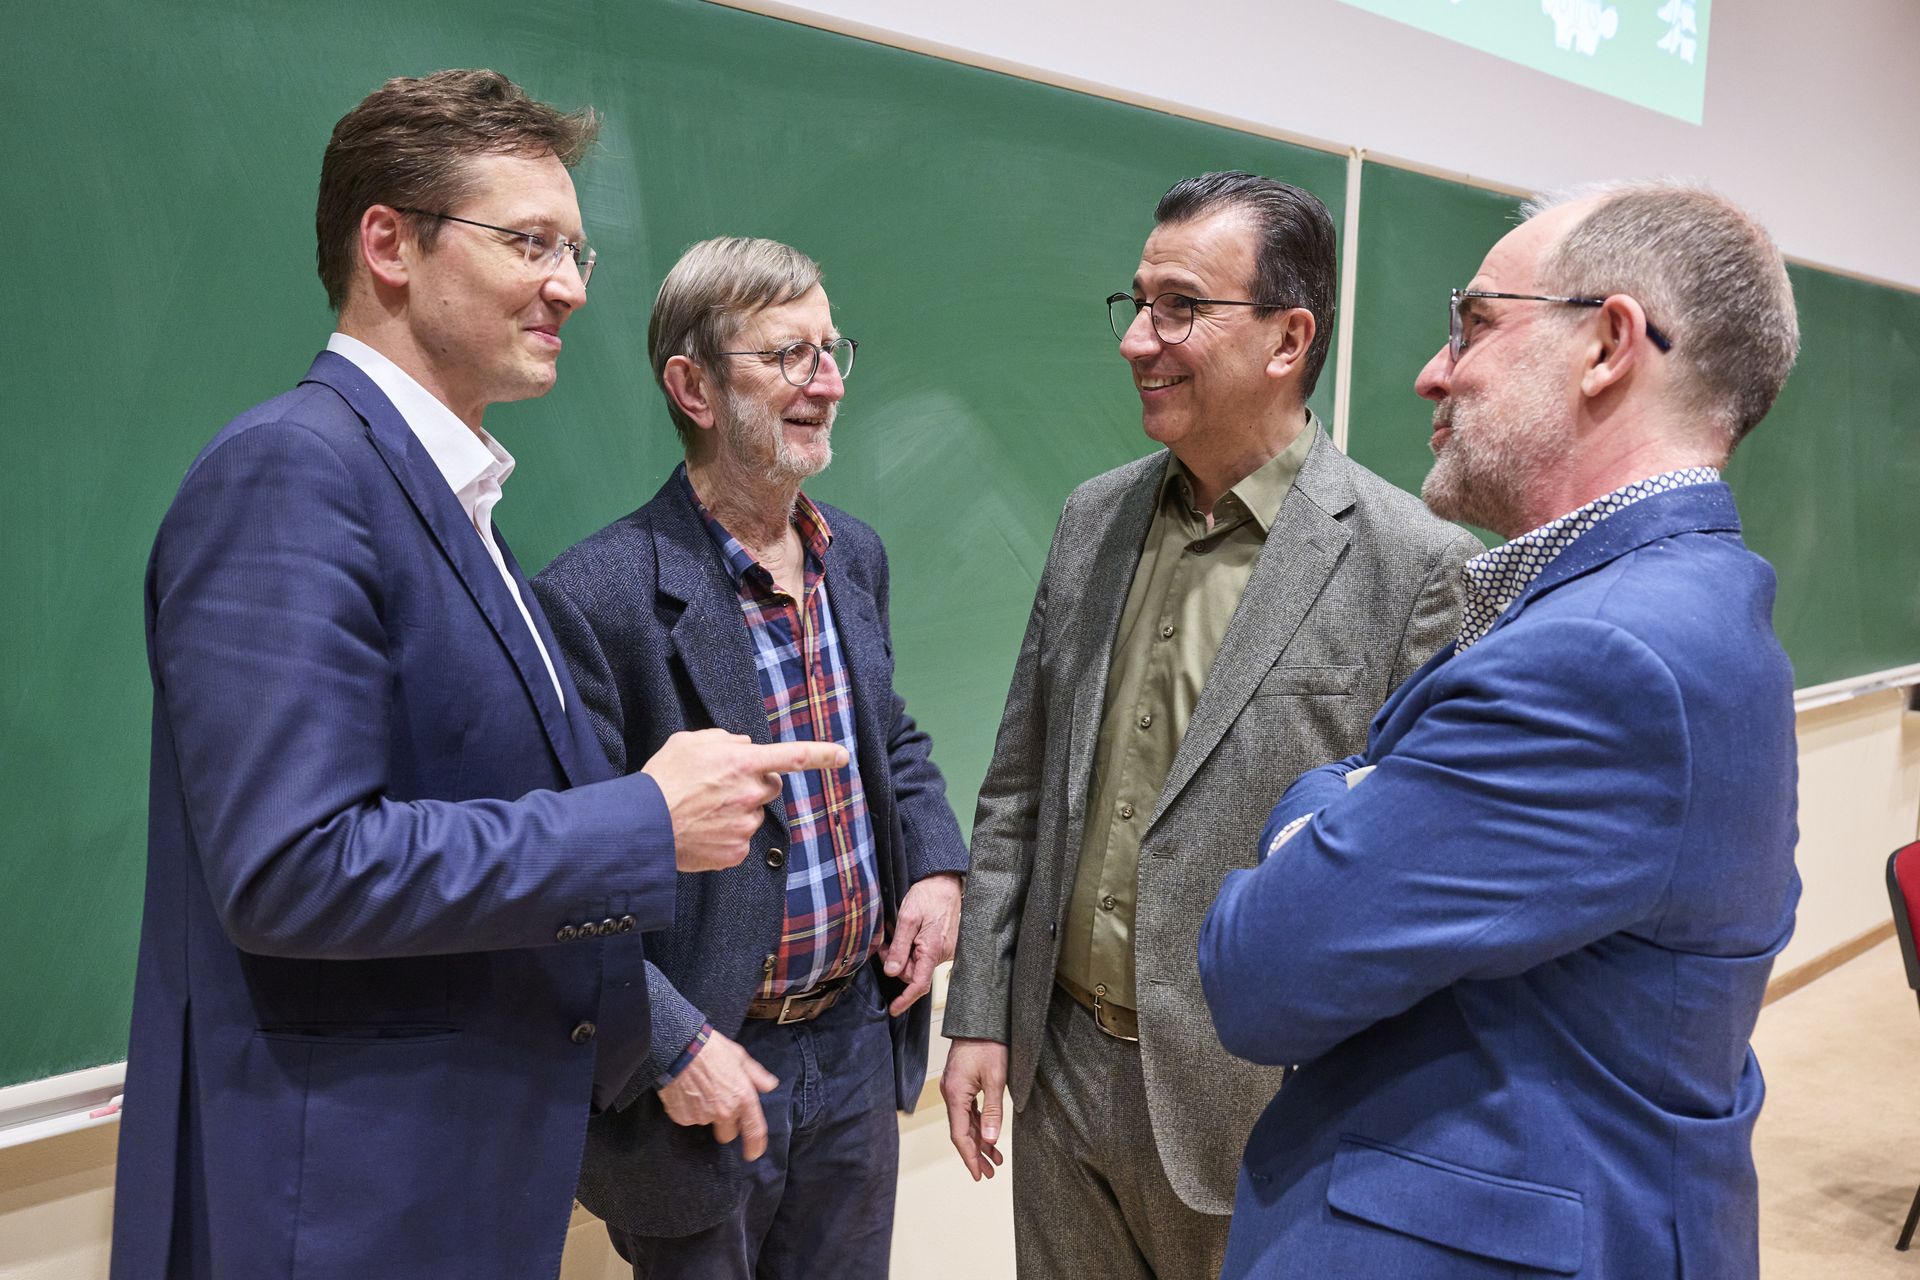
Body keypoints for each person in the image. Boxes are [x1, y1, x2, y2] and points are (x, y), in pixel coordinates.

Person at [112, 72, 842, 1280]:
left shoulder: (453, 501)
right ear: (388, 244)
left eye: (575, 250)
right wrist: (643, 821)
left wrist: (657, 1032)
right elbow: (294, 867)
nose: (571, 285)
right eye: (528, 242)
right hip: (344, 1203)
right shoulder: (292, 473)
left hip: (454, 1173)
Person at [1199, 181, 1802, 1279]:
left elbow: (1259, 969)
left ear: (1608, 345)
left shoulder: (1604, 657)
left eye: (1474, 324)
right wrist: (1361, 796)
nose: (1434, 372)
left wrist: (1320, 803)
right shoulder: (1681, 602)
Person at [939, 171, 1481, 1276]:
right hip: (1058, 1075)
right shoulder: (1093, 517)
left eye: (1181, 306)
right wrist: (980, 1011)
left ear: (1289, 338)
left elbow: (1419, 887)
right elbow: (1019, 787)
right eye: (1139, 302)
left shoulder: (1416, 565)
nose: (1138, 339)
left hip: (1261, 1105)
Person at [533, 236, 969, 1278]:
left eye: (831, 350)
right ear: (694, 387)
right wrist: (669, 1041)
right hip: (710, 1067)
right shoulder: (598, 598)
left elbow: (889, 739)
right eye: (787, 356)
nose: (827, 382)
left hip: (857, 1039)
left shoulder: (852, 555)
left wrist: (938, 866)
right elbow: (563, 878)